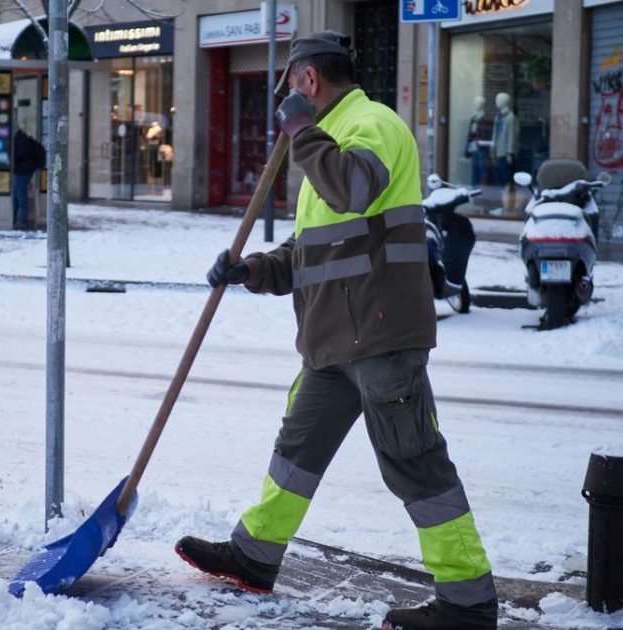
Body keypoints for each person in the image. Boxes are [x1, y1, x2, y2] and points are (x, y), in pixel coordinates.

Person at [175, 31, 498, 630]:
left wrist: (301, 131)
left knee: (415, 465)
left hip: (379, 337)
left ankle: (467, 603)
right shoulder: (327, 140)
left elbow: (352, 190)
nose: (287, 102)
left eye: (289, 88)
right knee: (295, 454)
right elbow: (312, 251)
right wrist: (253, 270)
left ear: (308, 80)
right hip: (330, 343)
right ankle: (254, 555)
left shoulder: (372, 125)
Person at [12, 126, 45, 230]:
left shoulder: (19, 141)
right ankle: (16, 217)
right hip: (24, 171)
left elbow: (19, 155)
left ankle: (22, 220)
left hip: (22, 172)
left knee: (20, 195)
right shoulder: (24, 140)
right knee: (17, 195)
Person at [464, 96, 490, 187]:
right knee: (474, 170)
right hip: (473, 147)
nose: (475, 105)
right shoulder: (474, 118)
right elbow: (470, 134)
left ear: (482, 104)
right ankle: (474, 188)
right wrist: (467, 148)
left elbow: (487, 135)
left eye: (477, 103)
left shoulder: (486, 118)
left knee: (482, 171)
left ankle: (481, 189)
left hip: (482, 148)